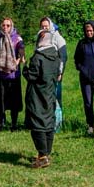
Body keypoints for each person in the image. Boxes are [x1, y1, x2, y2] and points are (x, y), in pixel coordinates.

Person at [24, 29, 61, 168]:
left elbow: (32, 76)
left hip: (37, 94)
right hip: (50, 92)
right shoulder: (55, 57)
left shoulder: (38, 57)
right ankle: (45, 154)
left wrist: (25, 68)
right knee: (48, 123)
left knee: (37, 123)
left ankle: (43, 155)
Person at [0, 17, 25, 130]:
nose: (5, 27)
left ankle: (14, 123)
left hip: (13, 74)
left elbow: (21, 49)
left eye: (8, 25)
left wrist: (19, 59)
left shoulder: (17, 38)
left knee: (14, 100)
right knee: (0, 99)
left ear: (12, 26)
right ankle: (0, 122)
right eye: (3, 25)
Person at [38, 15, 67, 129]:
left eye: (46, 26)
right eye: (42, 26)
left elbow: (63, 56)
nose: (44, 28)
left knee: (55, 99)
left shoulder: (57, 37)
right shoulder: (40, 37)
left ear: (50, 25)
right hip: (42, 74)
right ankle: (46, 124)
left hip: (55, 74)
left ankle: (57, 125)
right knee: (44, 99)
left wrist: (60, 72)